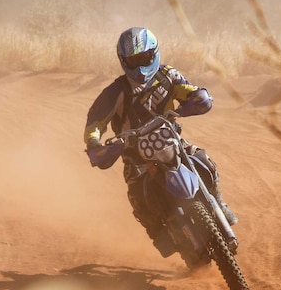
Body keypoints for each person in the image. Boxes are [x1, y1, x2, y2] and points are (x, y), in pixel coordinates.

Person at [83, 26, 236, 257]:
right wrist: (95, 144)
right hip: (136, 156)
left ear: (154, 54)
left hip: (172, 142)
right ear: (123, 61)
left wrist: (198, 99)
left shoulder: (168, 76)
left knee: (205, 161)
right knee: (138, 198)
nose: (140, 66)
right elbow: (95, 123)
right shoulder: (115, 92)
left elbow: (192, 92)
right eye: (133, 61)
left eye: (144, 58)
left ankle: (218, 202)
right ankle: (158, 234)